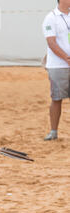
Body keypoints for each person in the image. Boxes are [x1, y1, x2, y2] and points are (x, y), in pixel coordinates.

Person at [42, 0, 70, 141]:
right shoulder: (51, 17)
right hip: (58, 65)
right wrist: (67, 58)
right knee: (57, 98)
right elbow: (51, 42)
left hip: (64, 63)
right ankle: (53, 131)